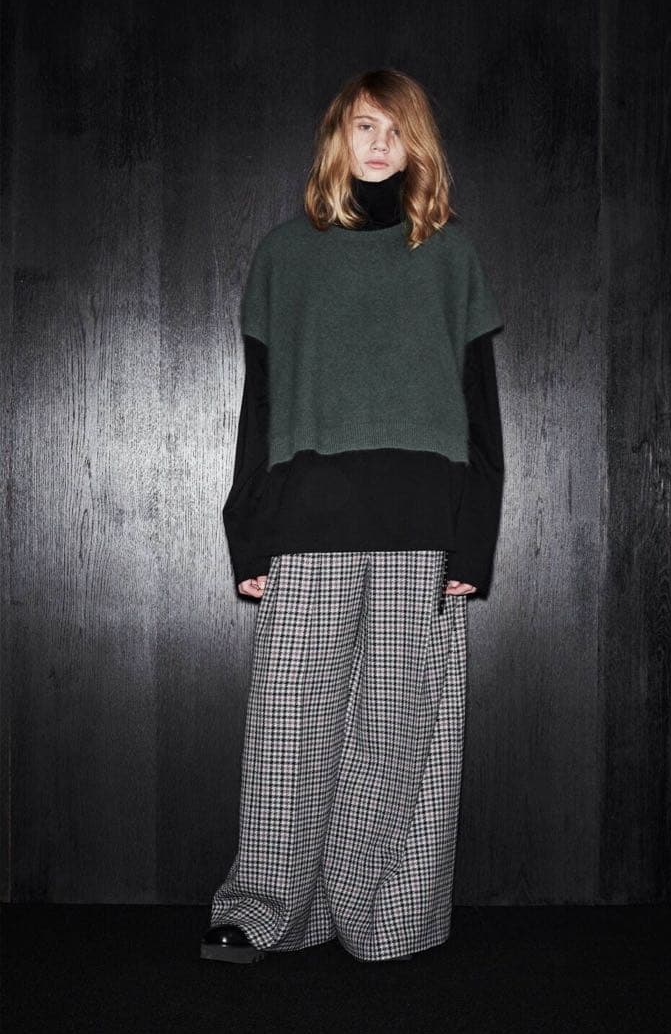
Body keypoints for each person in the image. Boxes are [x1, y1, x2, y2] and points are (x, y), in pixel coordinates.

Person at [200, 68, 505, 965]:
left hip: (424, 524)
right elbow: (259, 408)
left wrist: (474, 542)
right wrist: (249, 532)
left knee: (401, 732)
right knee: (289, 729)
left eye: (397, 131)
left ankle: (386, 919)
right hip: (309, 521)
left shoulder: (449, 256)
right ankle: (263, 911)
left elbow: (482, 415)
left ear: (418, 148)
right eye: (366, 126)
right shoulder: (283, 256)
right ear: (337, 135)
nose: (380, 145)